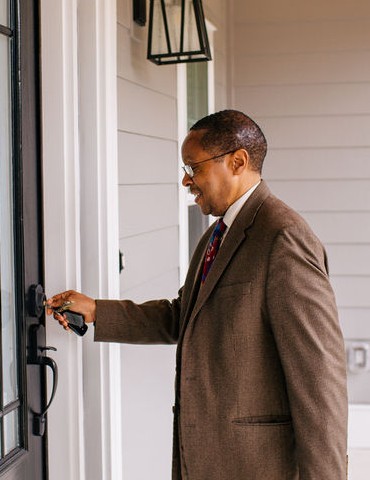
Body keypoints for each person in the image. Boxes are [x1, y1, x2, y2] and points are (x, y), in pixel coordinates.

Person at [47, 110, 348, 479]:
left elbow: (319, 379)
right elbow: (184, 316)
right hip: (204, 459)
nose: (186, 180)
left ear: (237, 162)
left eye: (194, 167)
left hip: (255, 466)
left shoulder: (283, 237)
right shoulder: (215, 235)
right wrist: (96, 310)